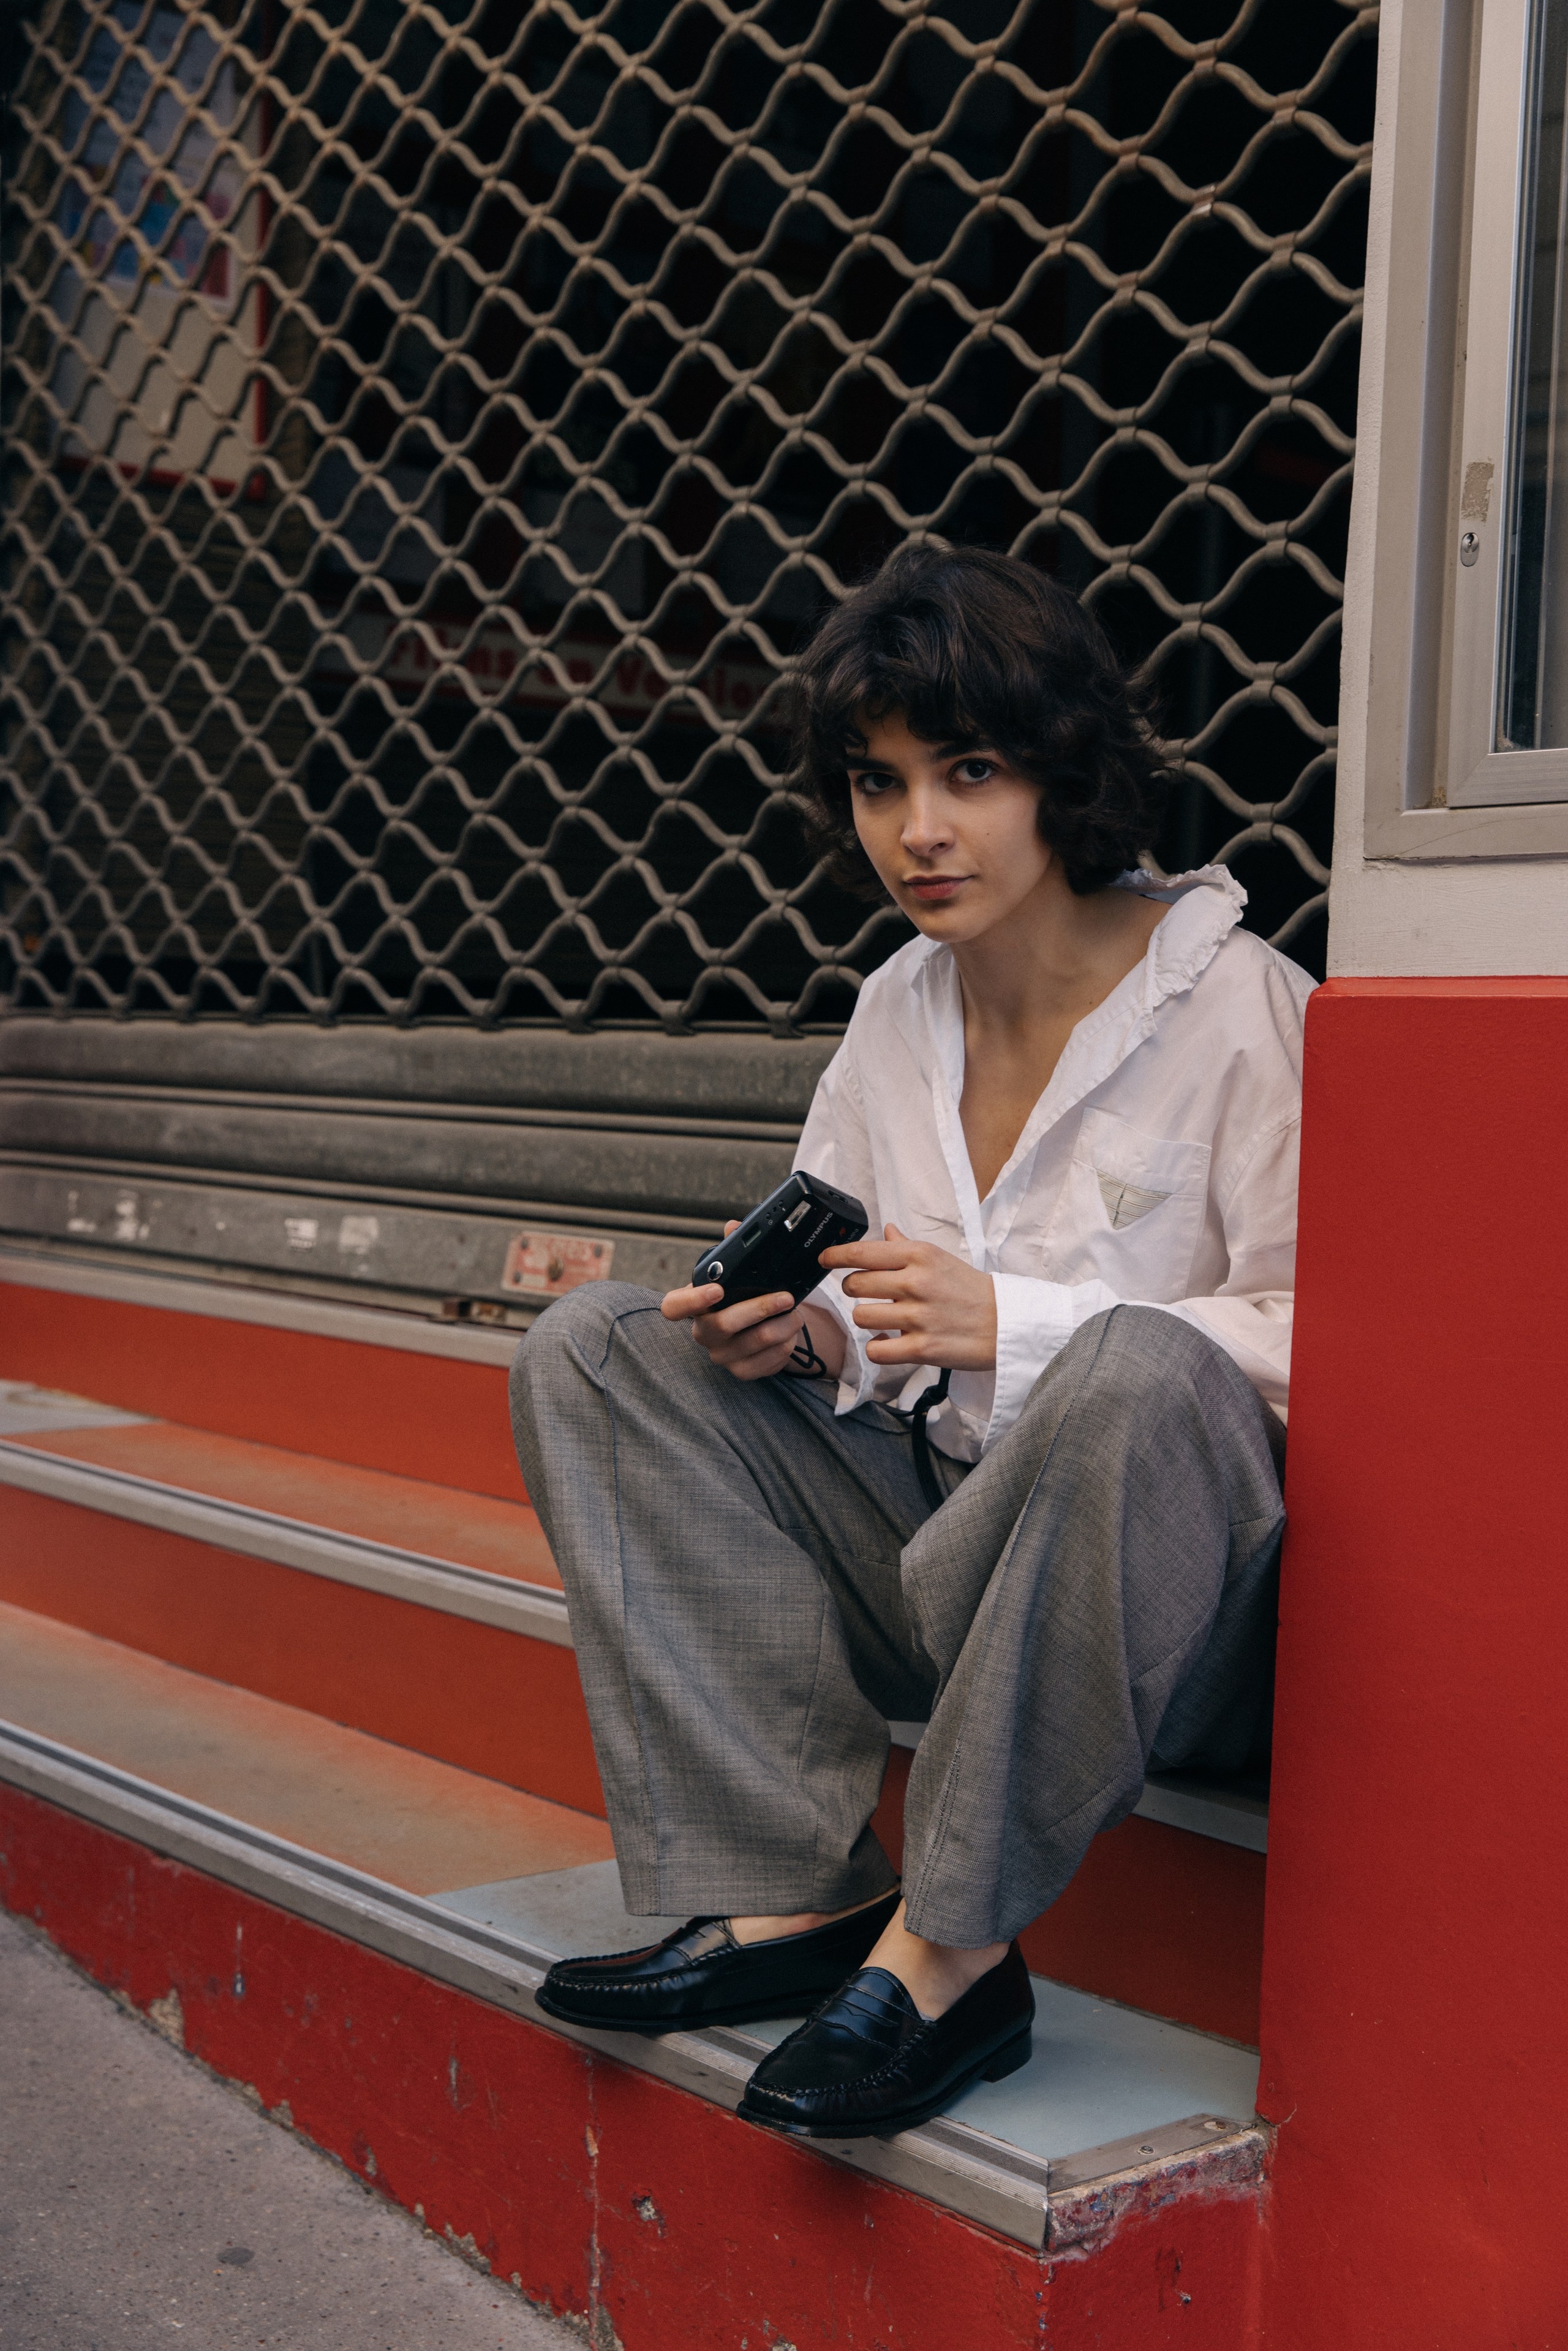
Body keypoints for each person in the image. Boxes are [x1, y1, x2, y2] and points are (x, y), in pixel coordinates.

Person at [510, 545, 1310, 2142]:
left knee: (1138, 1366)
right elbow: (870, 1299)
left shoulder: (1245, 1011)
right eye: (879, 783)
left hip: (1177, 1623)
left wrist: (1023, 1322)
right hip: (945, 1560)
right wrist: (808, 1341)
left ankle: (951, 1957)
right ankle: (789, 1899)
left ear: (1062, 772)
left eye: (970, 772)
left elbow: (1334, 1345)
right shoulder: (897, 1010)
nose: (919, 829)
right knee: (596, 1346)